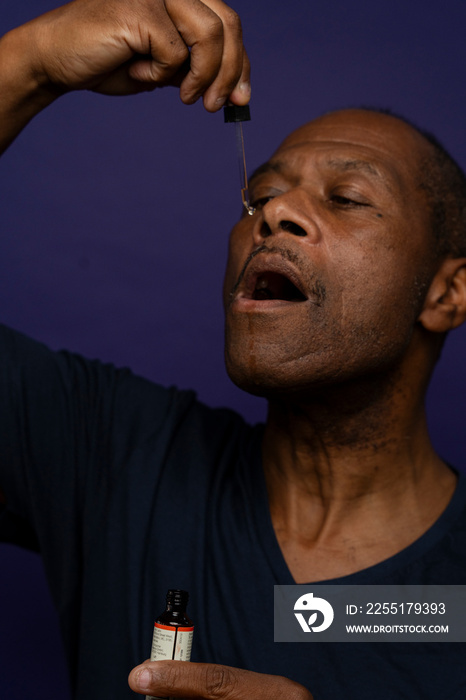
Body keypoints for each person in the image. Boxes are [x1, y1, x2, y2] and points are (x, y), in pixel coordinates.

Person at [1, 1, 466, 699]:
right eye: (262, 194)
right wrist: (27, 64)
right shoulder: (115, 456)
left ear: (446, 294)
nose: (273, 213)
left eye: (347, 197)